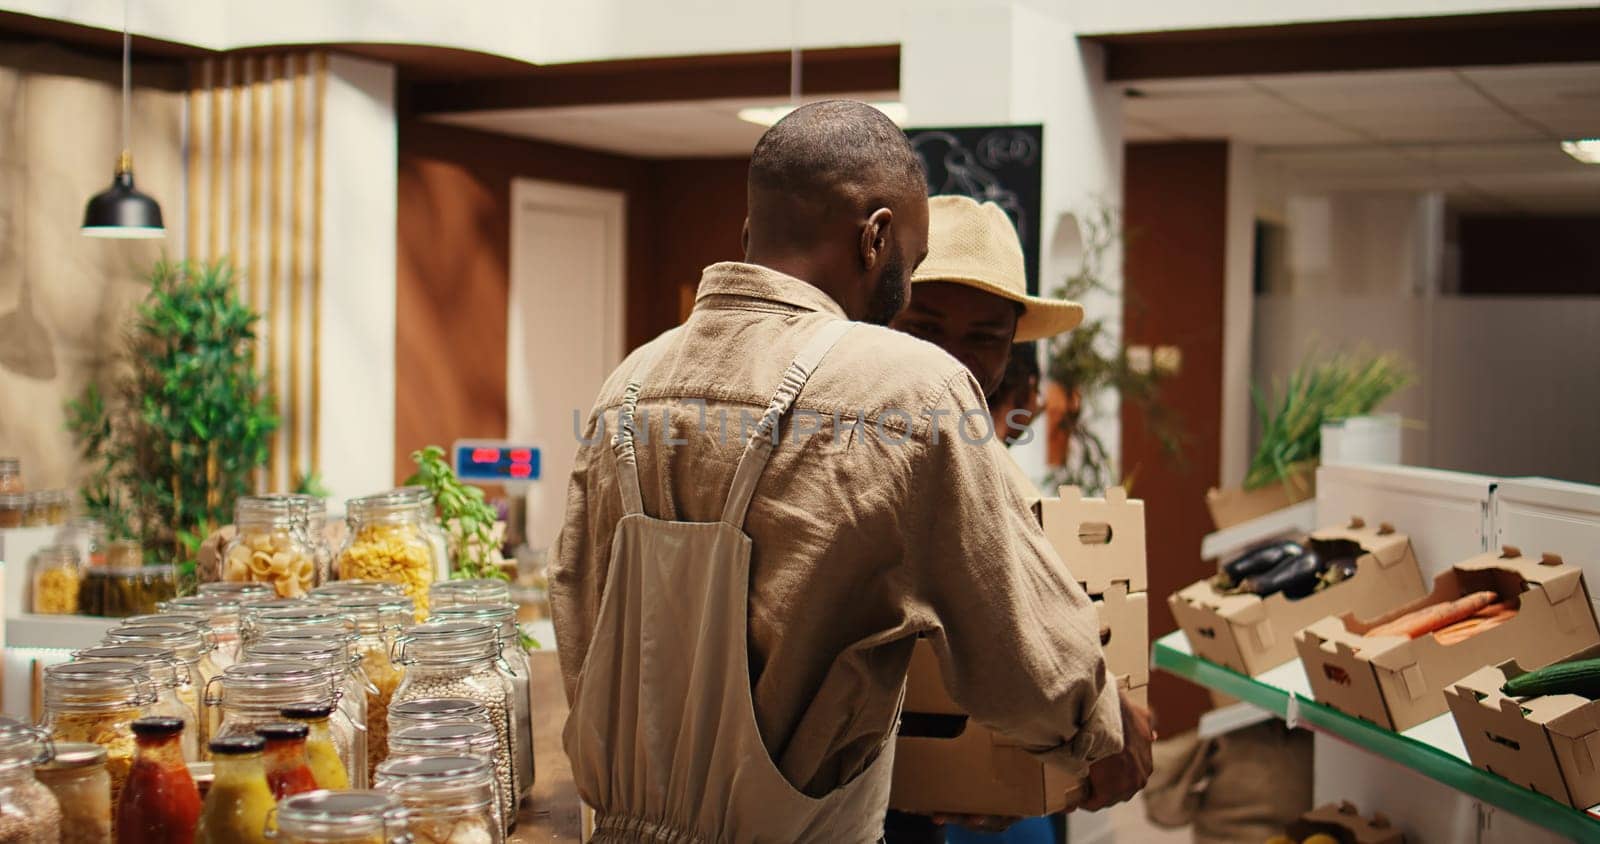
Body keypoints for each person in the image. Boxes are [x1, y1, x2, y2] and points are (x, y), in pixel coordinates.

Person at [551, 101, 1144, 844]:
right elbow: (1025, 665)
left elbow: (580, 612)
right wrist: (1102, 727)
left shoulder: (630, 383)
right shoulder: (908, 390)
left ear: (749, 235)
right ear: (877, 238)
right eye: (914, 267)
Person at [887, 195, 1156, 839]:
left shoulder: (973, 457)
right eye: (925, 330)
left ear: (1009, 351)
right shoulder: (852, 438)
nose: (952, 362)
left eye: (983, 338)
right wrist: (1106, 720)